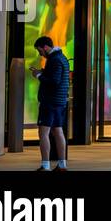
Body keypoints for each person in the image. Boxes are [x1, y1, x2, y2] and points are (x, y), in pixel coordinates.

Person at [33, 36, 70, 172]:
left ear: (46, 47)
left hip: (50, 101)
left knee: (43, 133)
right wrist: (44, 72)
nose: (40, 54)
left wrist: (38, 75)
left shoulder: (54, 60)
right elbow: (58, 77)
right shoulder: (62, 58)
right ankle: (62, 165)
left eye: (40, 50)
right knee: (58, 130)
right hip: (60, 102)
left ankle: (45, 165)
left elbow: (54, 81)